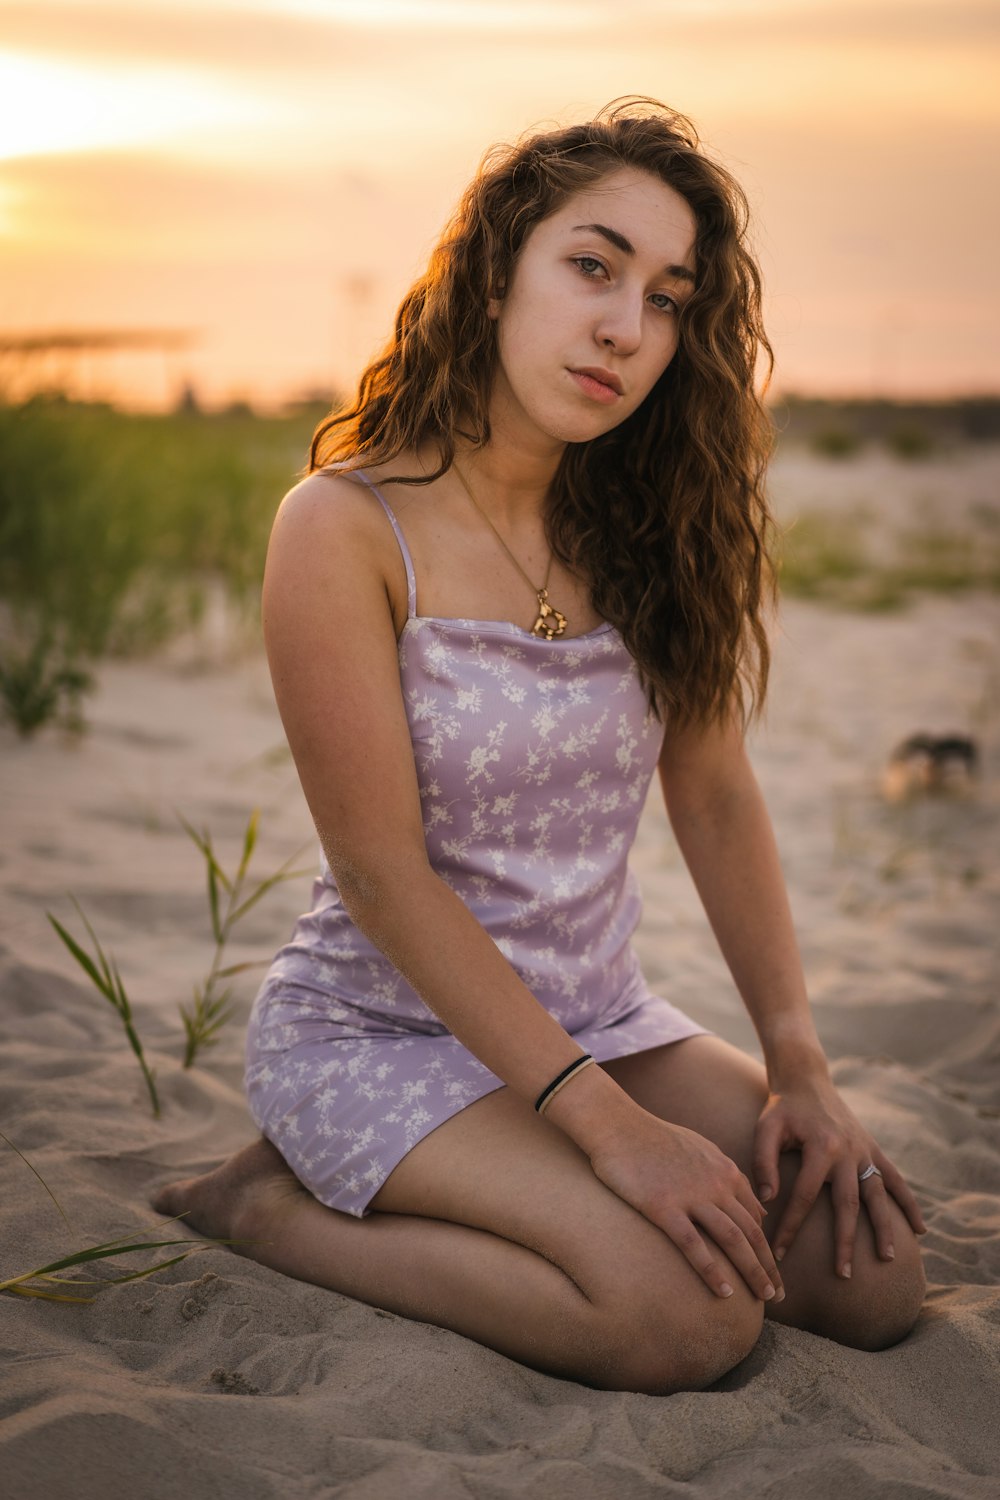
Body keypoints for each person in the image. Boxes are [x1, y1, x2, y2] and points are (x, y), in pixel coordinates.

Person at [153, 98, 926, 1394]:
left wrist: (801, 1065)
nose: (628, 327)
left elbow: (718, 795)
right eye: (592, 266)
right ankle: (265, 1208)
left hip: (601, 1019)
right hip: (380, 1034)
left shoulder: (651, 531)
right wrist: (616, 1137)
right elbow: (385, 874)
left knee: (872, 1276)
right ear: (495, 267)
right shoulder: (344, 528)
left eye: (671, 299)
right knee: (685, 1321)